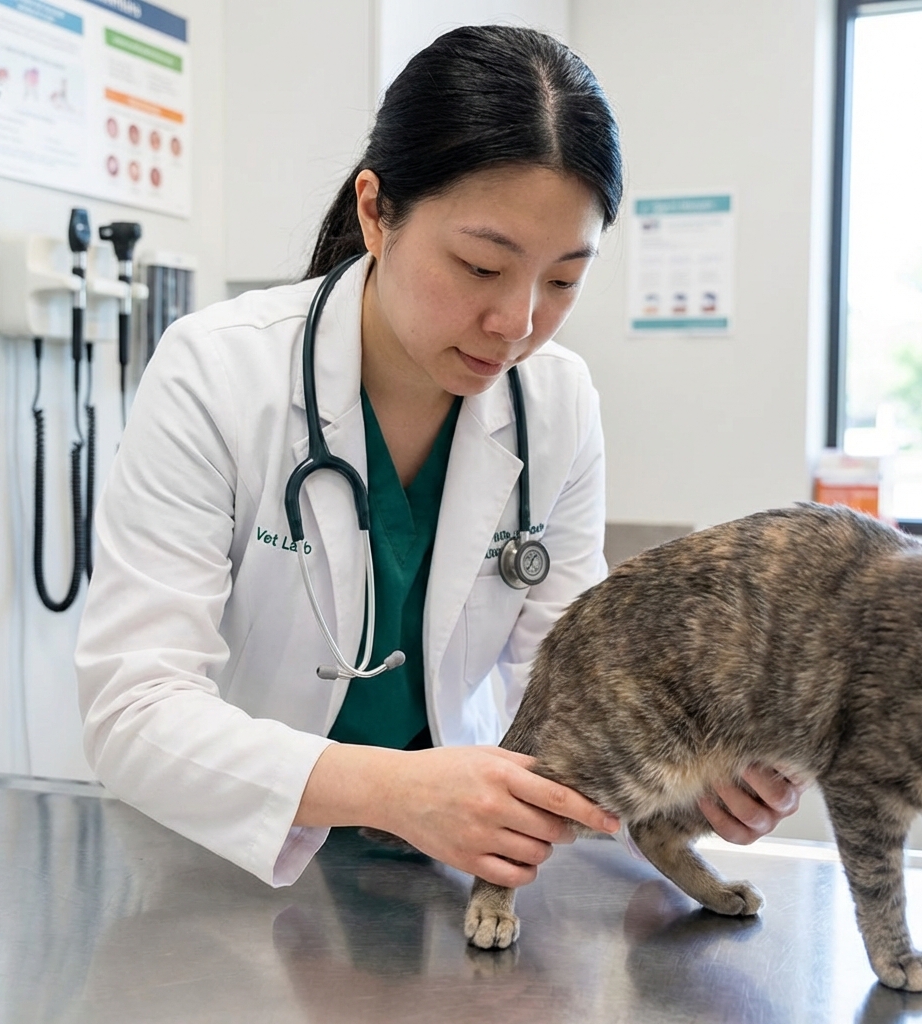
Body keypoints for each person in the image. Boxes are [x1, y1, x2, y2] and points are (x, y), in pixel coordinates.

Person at [76, 25, 801, 894]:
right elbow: (133, 710)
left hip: (446, 871)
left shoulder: (557, 404)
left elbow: (577, 667)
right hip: (221, 867)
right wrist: (391, 789)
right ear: (376, 212)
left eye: (563, 280)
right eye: (480, 265)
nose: (518, 322)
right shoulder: (217, 372)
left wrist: (694, 759)